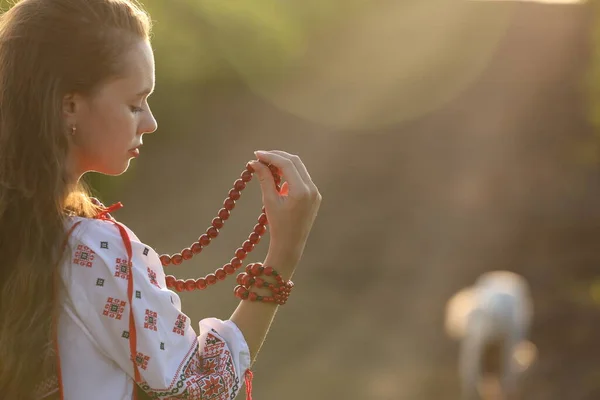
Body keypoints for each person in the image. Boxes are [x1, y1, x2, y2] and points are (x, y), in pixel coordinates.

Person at [0, 1, 322, 399]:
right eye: (135, 104)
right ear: (69, 105)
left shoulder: (28, 230)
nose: (150, 122)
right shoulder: (92, 248)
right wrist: (283, 256)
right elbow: (201, 387)